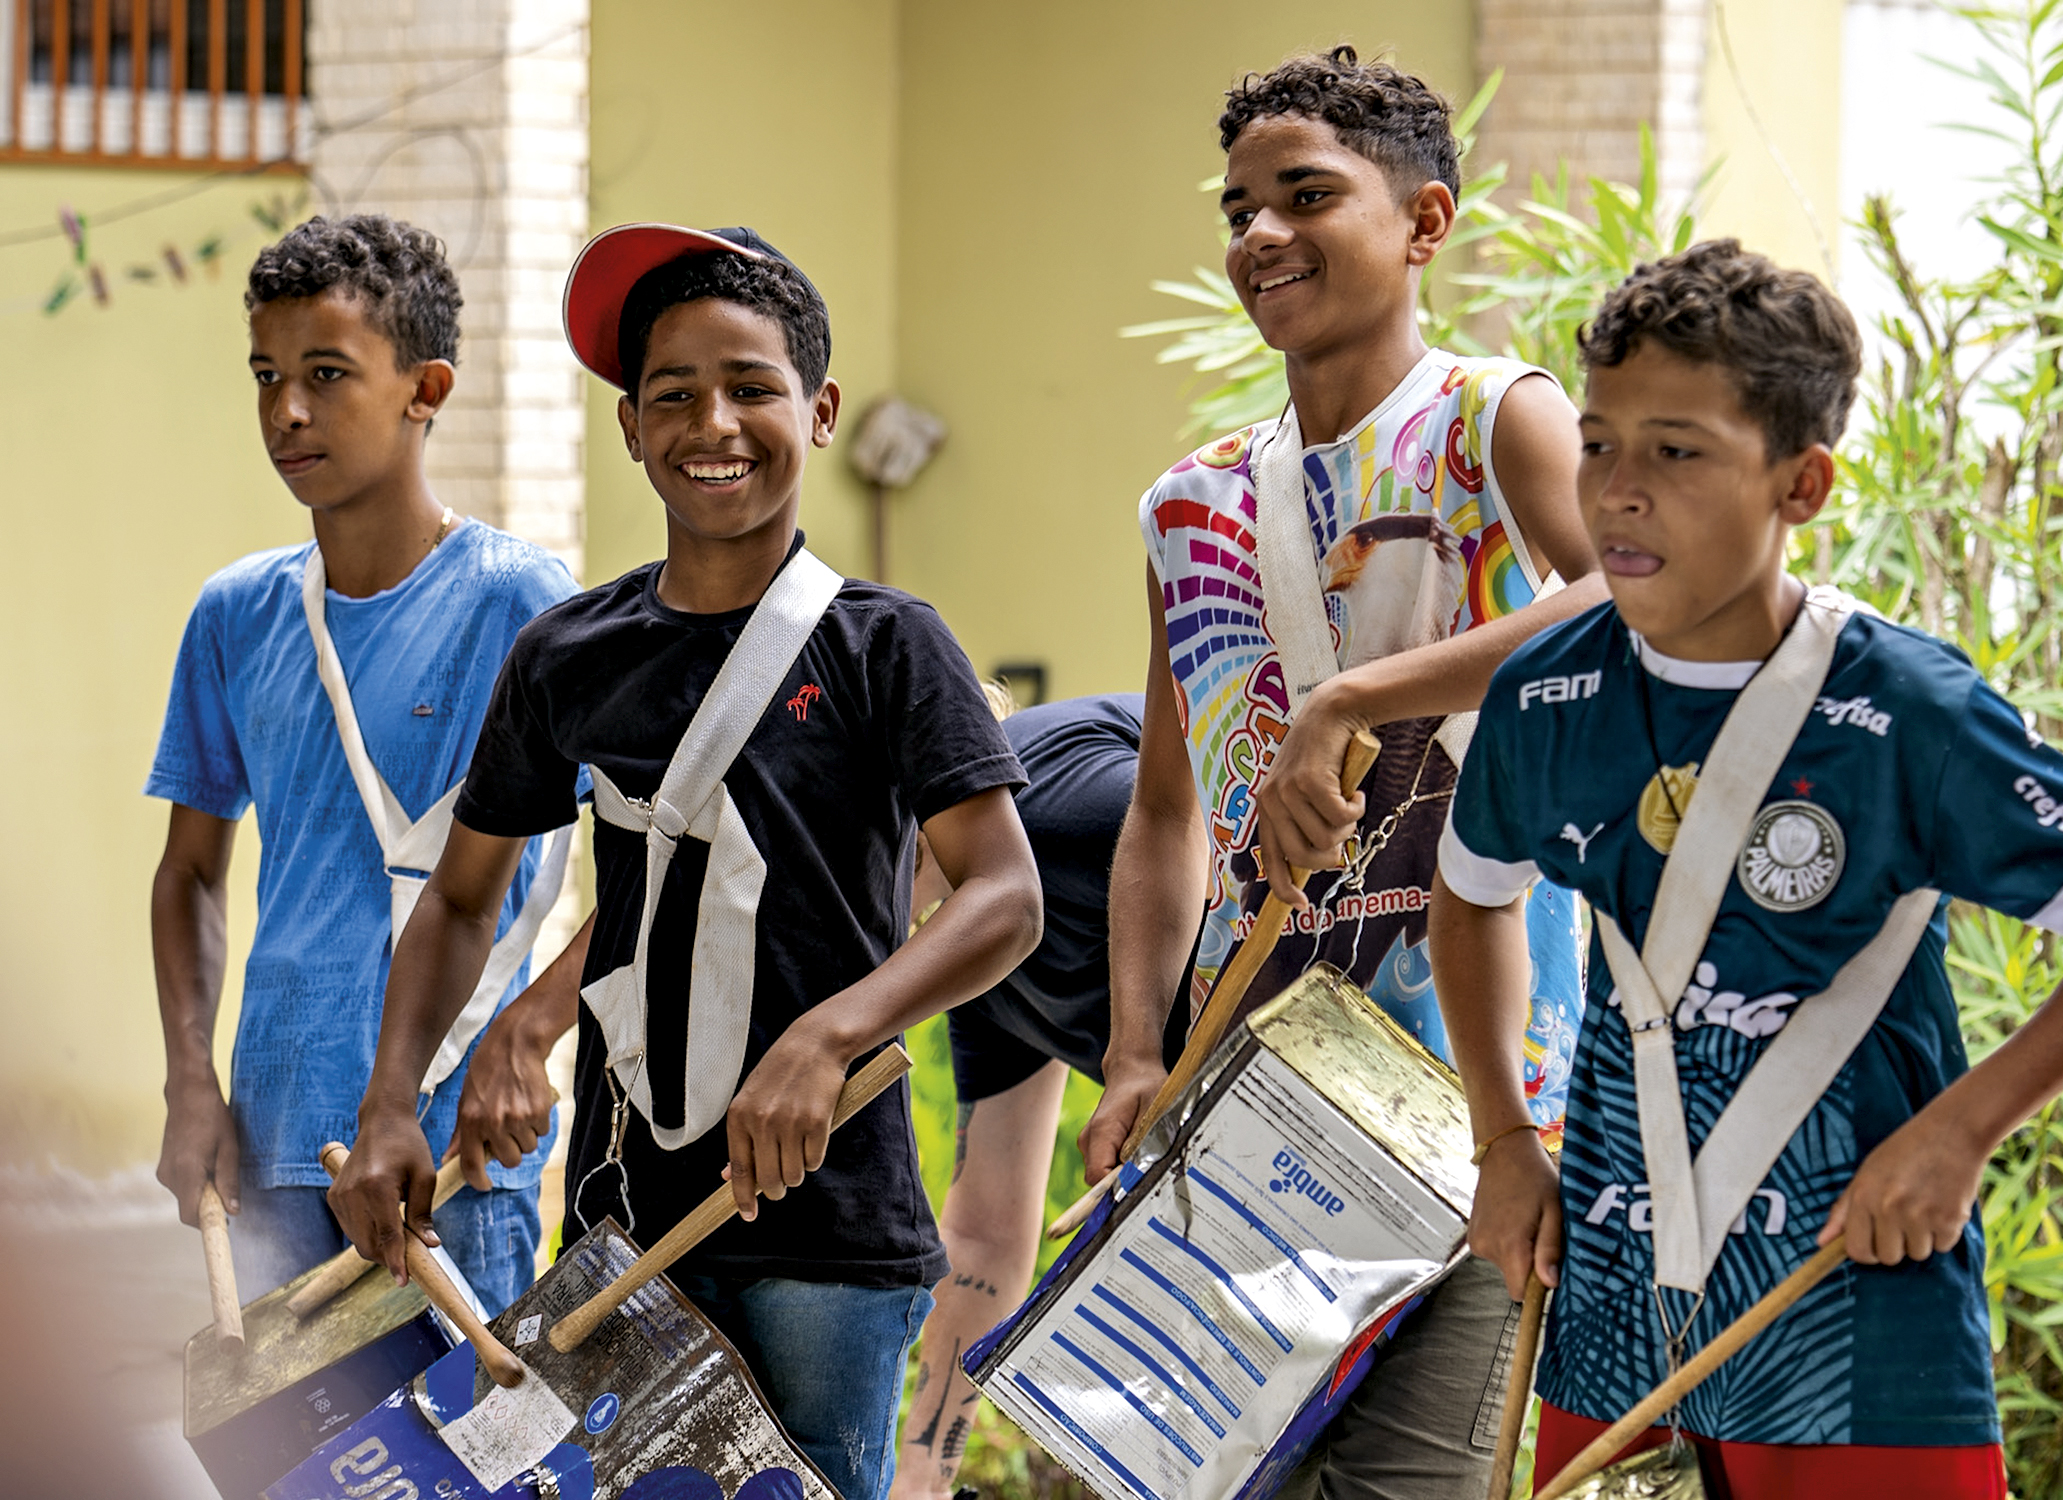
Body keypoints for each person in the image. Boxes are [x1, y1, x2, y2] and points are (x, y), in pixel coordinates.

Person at [1429, 238, 2063, 1499]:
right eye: (1597, 443)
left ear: (1801, 485)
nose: (1618, 490)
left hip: (1861, 1340)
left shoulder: (1907, 710)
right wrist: (1501, 1140)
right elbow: (1466, 902)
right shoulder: (1542, 697)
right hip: (1613, 1323)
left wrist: (1959, 1135)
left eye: (1675, 451)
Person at [325, 223, 1043, 1500]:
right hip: (628, 1216)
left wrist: (827, 1041)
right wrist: (391, 1105)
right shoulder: (568, 654)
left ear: (817, 412)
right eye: (673, 394)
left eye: (752, 388)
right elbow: (460, 899)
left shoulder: (887, 648)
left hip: (826, 1230)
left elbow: (1002, 896)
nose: (714, 421)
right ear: (629, 428)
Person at [1079, 46, 1607, 1500]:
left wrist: (1360, 695)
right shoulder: (1186, 506)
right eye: (1237, 206)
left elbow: (1621, 596)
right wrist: (1135, 1051)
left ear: (1424, 223)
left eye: (1307, 195)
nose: (1258, 234)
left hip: (1481, 1091)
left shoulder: (1493, 417)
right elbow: (1166, 810)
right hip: (1242, 1084)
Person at [147, 214, 579, 1312]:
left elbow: (650, 865)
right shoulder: (235, 615)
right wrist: (191, 1077)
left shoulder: (522, 607)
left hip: (456, 1162)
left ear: (423, 389)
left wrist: (531, 1040)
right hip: (271, 1142)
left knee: (459, 1475)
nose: (285, 411)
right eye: (266, 375)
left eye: (326, 374)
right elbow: (191, 870)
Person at [892, 692, 1190, 1500]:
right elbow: (986, 1232)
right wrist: (921, 1478)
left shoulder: (1055, 815)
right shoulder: (974, 932)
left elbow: (1214, 828)